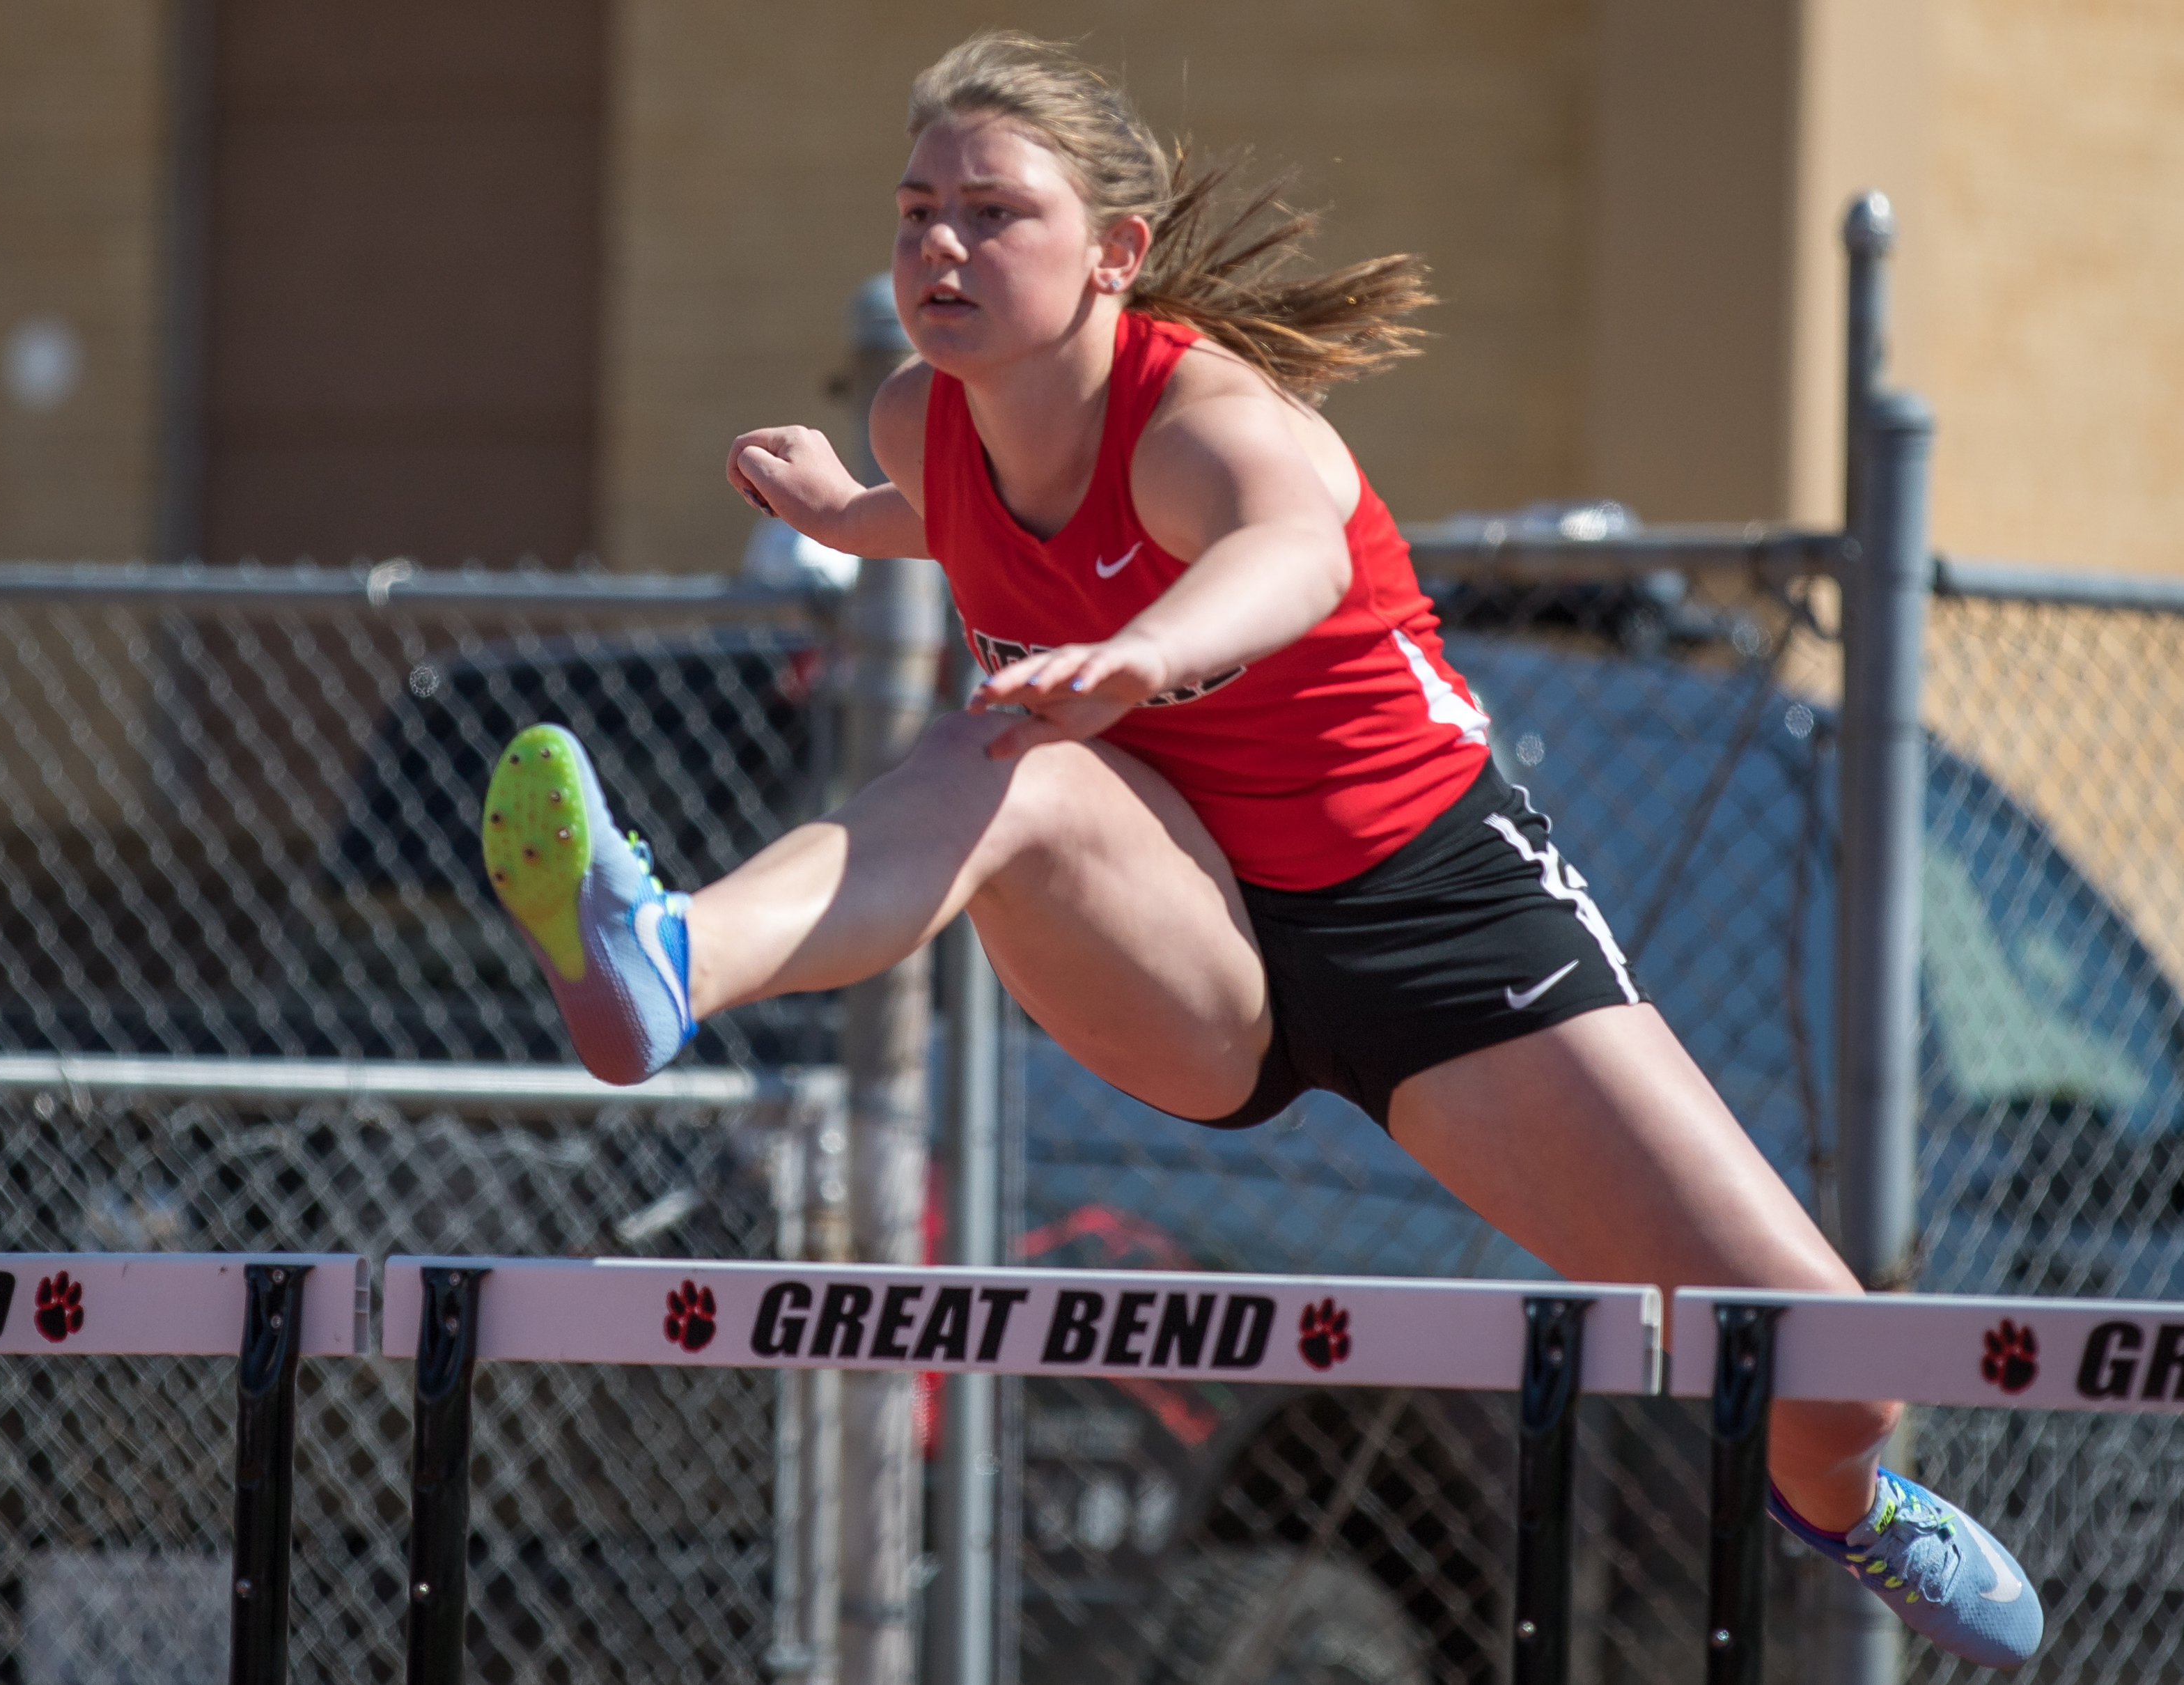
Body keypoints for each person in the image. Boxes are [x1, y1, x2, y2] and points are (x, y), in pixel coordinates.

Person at [481, 31, 2040, 1670]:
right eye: (917, 209)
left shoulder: (1208, 416)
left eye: (994, 212)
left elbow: (1287, 553)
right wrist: (845, 511)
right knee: (1006, 758)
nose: (942, 246)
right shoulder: (921, 418)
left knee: (1835, 1364)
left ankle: (1850, 1505)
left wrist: (1151, 654)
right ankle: (665, 959)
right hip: (1199, 946)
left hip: (1442, 929)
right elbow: (952, 511)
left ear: (1113, 255)